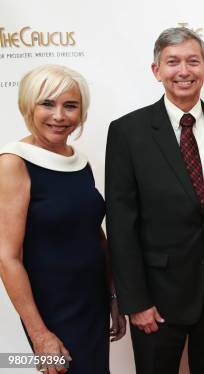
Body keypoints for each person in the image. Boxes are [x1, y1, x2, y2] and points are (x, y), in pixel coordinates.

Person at [105, 27, 204, 374]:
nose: (183, 71)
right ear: (156, 71)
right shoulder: (127, 131)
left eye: (193, 61)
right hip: (156, 298)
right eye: (172, 62)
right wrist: (134, 300)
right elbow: (122, 224)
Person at [0, 64, 126, 374]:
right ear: (28, 106)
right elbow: (7, 258)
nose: (59, 115)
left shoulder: (78, 160)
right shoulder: (14, 163)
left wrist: (112, 295)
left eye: (70, 106)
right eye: (47, 103)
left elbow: (93, 235)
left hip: (92, 301)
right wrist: (40, 335)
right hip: (53, 310)